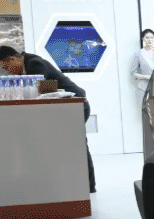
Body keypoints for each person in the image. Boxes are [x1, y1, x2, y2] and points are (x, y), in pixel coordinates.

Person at [0, 45, 96, 193]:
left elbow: (43, 91)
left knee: (76, 145)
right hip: (62, 109)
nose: (7, 71)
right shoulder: (26, 66)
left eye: (5, 67)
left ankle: (88, 187)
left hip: (75, 106)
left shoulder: (34, 64)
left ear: (12, 59)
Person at [130, 29, 154, 97]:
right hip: (144, 88)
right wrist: (146, 77)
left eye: (152, 38)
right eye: (147, 38)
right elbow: (133, 73)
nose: (149, 40)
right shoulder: (138, 54)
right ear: (143, 39)